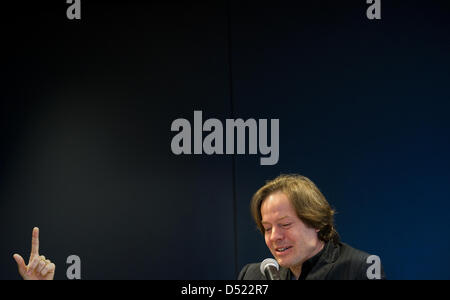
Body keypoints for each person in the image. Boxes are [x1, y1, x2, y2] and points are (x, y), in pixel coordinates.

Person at [238, 174, 386, 280]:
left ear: (315, 222)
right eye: (268, 228)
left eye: (285, 224)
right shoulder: (252, 275)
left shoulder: (359, 268)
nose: (274, 236)